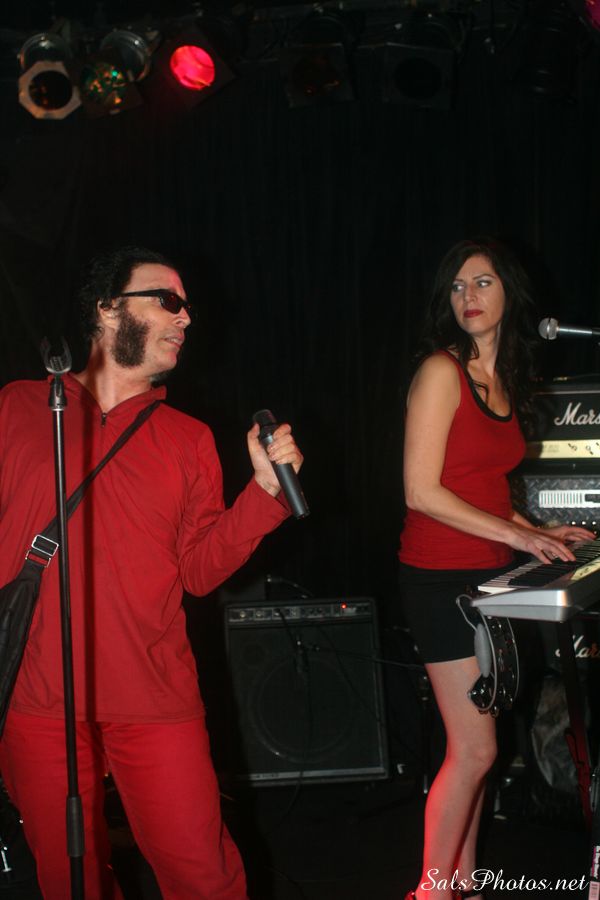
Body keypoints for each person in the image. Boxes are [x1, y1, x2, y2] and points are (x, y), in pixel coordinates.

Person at [0, 246, 303, 900]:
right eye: (169, 301)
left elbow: (198, 571)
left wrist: (263, 493)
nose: (186, 318)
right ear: (109, 309)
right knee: (70, 880)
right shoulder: (18, 408)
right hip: (40, 700)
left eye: (187, 307)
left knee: (204, 876)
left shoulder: (188, 438)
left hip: (154, 695)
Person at [398, 237, 593, 900]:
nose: (468, 297)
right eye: (457, 286)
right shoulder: (440, 371)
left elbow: (478, 482)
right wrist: (518, 533)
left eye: (481, 282)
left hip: (487, 579)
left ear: (509, 290)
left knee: (478, 750)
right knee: (477, 748)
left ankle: (464, 883)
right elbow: (422, 491)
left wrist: (534, 529)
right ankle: (430, 891)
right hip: (438, 579)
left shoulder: (503, 379)